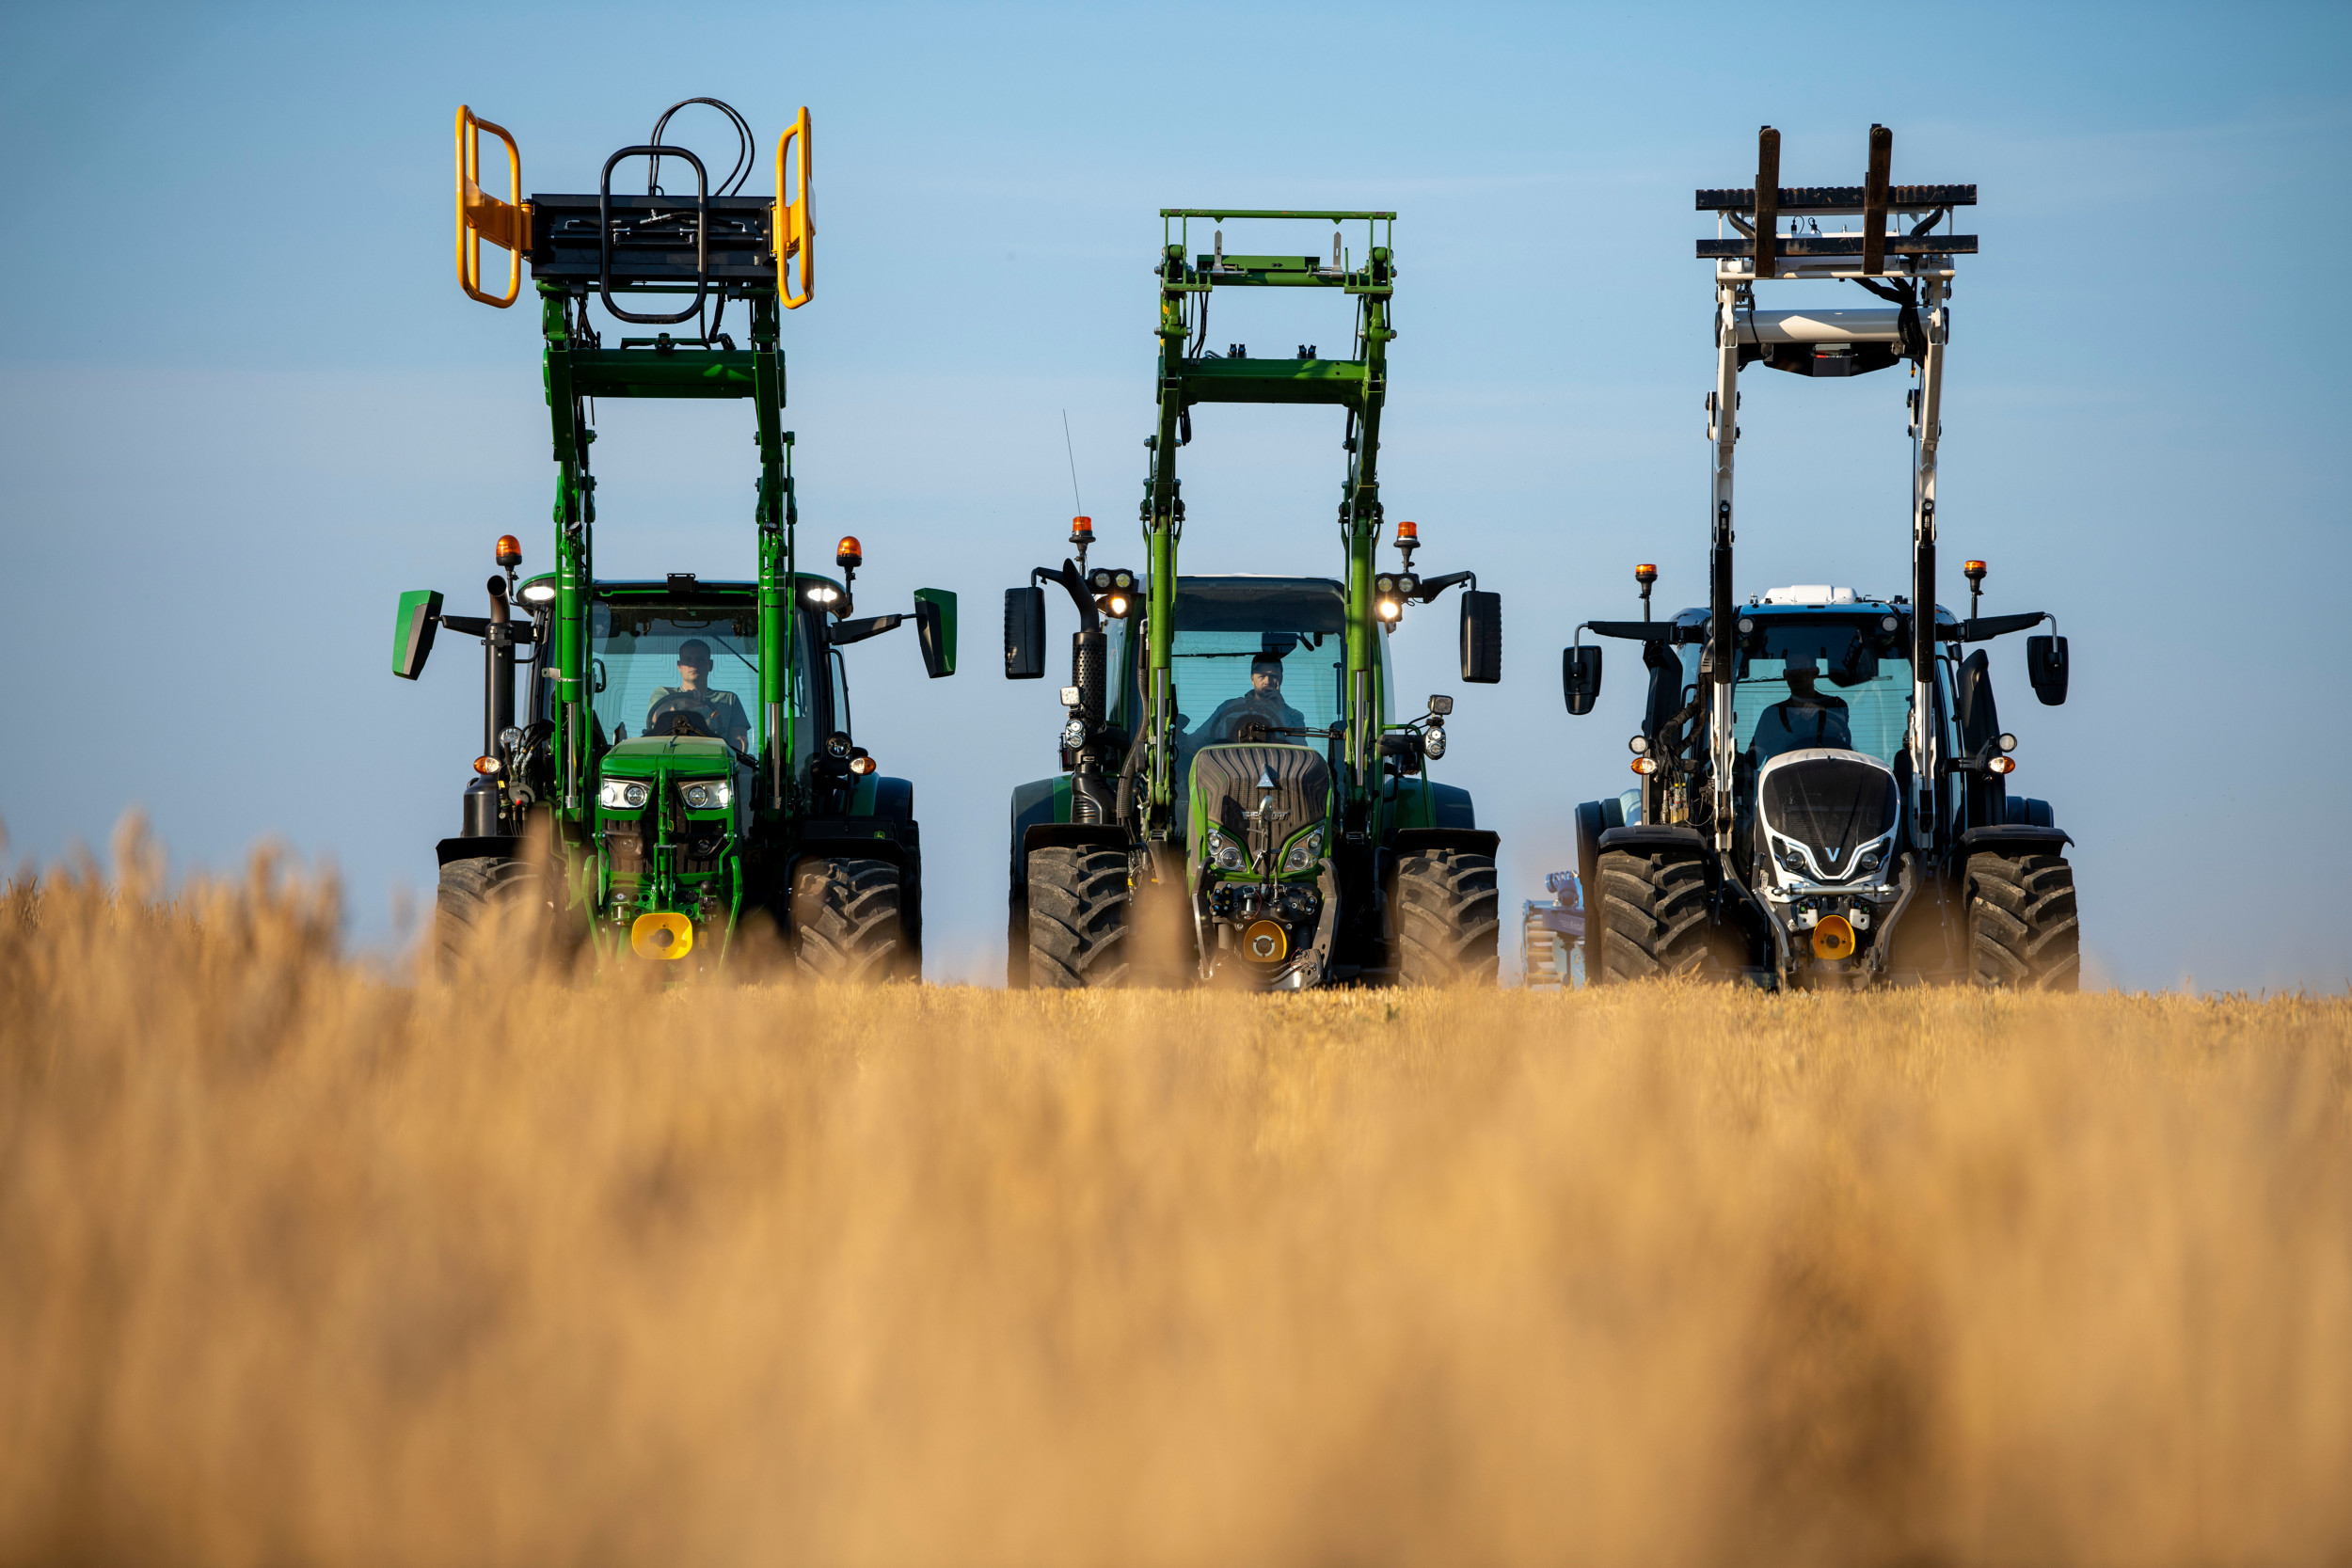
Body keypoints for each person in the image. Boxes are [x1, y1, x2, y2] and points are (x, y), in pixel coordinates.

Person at [644, 639, 751, 748]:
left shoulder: (729, 700)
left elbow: (740, 742)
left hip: (714, 761)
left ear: (710, 665)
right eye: (687, 660)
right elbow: (657, 717)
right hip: (666, 759)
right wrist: (684, 703)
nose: (693, 664)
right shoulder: (663, 694)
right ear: (679, 666)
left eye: (700, 660)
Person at [1749, 650, 1852, 762]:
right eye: (1792, 668)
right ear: (1785, 674)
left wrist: (1821, 713)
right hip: (1782, 776)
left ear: (1815, 672)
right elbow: (1757, 754)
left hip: (1828, 773)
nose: (1796, 672)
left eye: (1802, 667)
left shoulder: (1835, 704)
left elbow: (1840, 726)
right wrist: (1744, 760)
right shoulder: (1771, 714)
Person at [1198, 651, 1308, 743]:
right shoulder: (1228, 708)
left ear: (1281, 679)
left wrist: (1281, 710)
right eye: (1262, 676)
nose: (1267, 681)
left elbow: (1298, 752)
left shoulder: (1294, 717)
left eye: (1273, 676)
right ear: (1252, 679)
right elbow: (1198, 740)